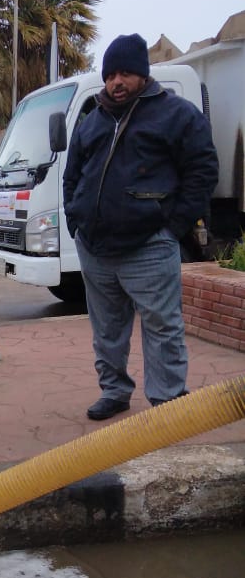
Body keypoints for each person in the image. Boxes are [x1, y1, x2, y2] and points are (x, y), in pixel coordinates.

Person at [63, 33, 218, 421]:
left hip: (149, 245)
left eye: (125, 73)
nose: (116, 82)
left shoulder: (176, 115)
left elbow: (202, 172)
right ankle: (114, 391)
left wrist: (172, 227)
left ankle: (167, 400)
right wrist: (75, 219)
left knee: (162, 325)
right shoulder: (93, 120)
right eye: (110, 75)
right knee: (106, 328)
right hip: (95, 246)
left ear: (143, 74)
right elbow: (73, 174)